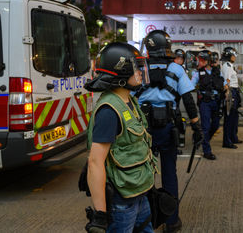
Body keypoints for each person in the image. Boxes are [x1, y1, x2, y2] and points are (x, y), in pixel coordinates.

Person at [84, 42, 157, 232]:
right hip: (121, 201)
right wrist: (100, 214)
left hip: (139, 192)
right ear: (121, 74)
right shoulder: (109, 110)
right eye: (136, 68)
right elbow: (95, 162)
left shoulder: (130, 101)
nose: (141, 73)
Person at [135, 30, 203, 233]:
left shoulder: (139, 68)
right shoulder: (177, 68)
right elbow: (189, 100)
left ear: (148, 47)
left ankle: (144, 219)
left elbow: (127, 98)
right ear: (167, 47)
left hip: (142, 129)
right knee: (169, 174)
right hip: (167, 128)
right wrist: (196, 126)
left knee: (142, 173)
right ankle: (171, 220)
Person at [191, 50, 226, 160]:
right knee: (205, 126)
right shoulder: (197, 73)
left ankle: (202, 140)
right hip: (205, 102)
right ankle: (207, 151)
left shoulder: (217, 72)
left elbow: (224, 83)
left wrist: (227, 87)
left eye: (201, 60)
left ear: (208, 61)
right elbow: (190, 85)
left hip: (216, 101)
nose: (199, 62)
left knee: (215, 125)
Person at [221, 47, 242, 149]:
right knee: (229, 118)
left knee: (234, 117)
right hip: (230, 92)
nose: (235, 57)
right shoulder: (227, 66)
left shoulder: (230, 66)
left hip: (235, 91)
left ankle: (233, 137)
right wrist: (228, 94)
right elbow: (226, 81)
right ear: (229, 55)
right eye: (234, 55)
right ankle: (227, 141)